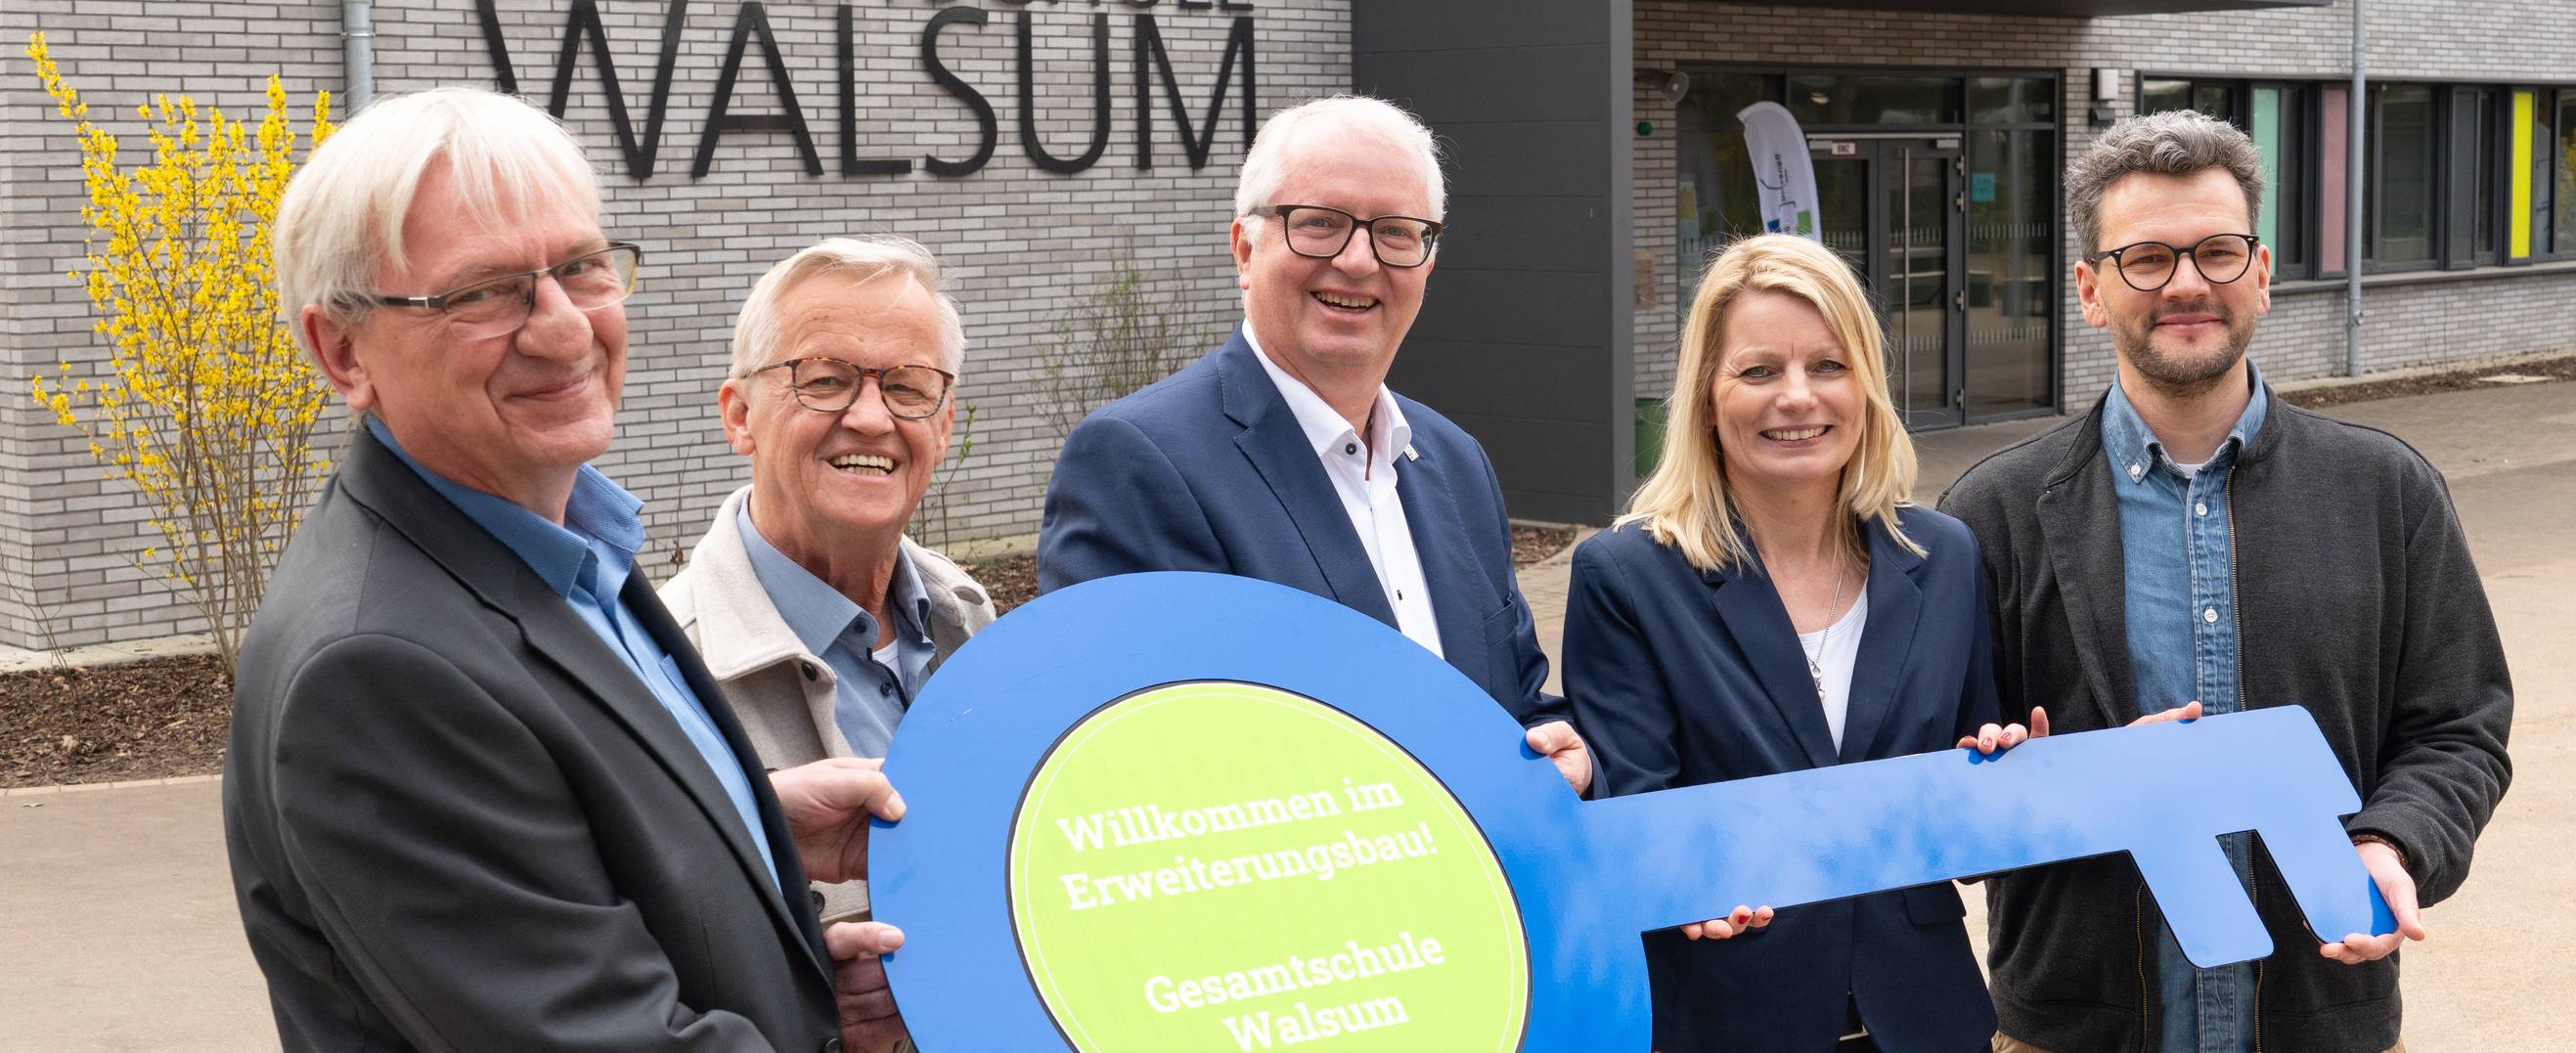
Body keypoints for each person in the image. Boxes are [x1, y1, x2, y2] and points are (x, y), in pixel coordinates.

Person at [223, 87, 909, 1052]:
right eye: (482, 293)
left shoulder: (553, 543)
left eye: (582, 267)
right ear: (342, 350)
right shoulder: (378, 671)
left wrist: (744, 825)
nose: (563, 328)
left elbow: (571, 831)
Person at [1939, 110, 2514, 1053]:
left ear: (2263, 274)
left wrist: (2394, 840)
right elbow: (1944, 782)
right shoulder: (1991, 514)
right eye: (2147, 259)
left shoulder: (2386, 493)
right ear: (2089, 290)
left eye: (2216, 251)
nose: (2188, 284)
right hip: (2073, 1031)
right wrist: (2053, 775)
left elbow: (2459, 727)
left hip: (2323, 1024)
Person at [1036, 94, 1593, 797]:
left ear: (1427, 261)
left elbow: (1517, 701)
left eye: (1395, 232)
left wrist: (1563, 759)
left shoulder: (1455, 463)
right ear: (1245, 248)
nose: (1358, 261)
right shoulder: (1137, 461)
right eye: (1320, 224)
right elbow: (1136, 766)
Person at [1562, 235, 2024, 1053]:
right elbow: (1638, 810)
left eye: (1829, 366)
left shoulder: (1944, 555)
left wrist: (2006, 766)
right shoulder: (1629, 575)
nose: (1798, 397)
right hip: (1727, 1011)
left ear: (1867, 388)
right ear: (1708, 396)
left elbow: (1970, 808)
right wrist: (1678, 885)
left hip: (1925, 1016)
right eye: (1759, 370)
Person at [662, 237, 995, 926]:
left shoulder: (970, 617)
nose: (871, 419)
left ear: (945, 423)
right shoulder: (664, 674)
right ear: (739, 415)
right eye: (824, 379)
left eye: (907, 387)